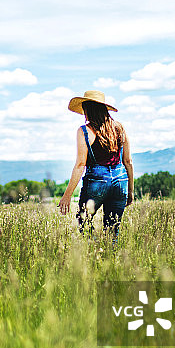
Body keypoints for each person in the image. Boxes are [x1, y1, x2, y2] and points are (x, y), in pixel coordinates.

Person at [57, 90, 134, 239]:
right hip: (121, 182)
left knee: (84, 224)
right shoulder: (120, 128)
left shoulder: (85, 131)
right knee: (113, 232)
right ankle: (110, 259)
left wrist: (67, 195)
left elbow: (80, 164)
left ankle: (91, 255)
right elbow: (128, 161)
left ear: (88, 109)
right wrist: (130, 191)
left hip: (96, 181)